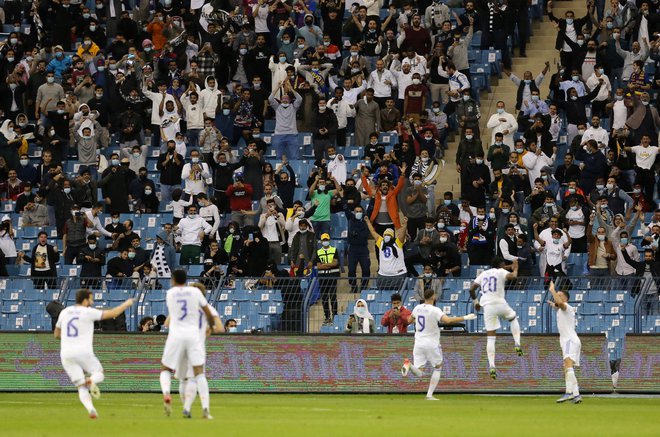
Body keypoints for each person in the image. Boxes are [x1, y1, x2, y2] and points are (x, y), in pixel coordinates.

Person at [55, 289, 135, 419]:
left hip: (66, 353)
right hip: (83, 351)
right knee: (99, 373)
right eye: (91, 299)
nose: (92, 301)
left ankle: (91, 410)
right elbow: (113, 313)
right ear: (85, 300)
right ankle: (90, 380)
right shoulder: (88, 312)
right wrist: (126, 304)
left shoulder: (64, 312)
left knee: (80, 386)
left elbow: (56, 335)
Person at [400, 287, 476, 400]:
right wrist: (465, 317)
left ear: (423, 297)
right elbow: (448, 321)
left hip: (418, 343)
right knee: (438, 367)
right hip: (431, 343)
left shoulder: (417, 308)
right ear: (433, 297)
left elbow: (408, 321)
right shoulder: (435, 310)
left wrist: (416, 319)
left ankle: (409, 365)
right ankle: (429, 395)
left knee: (420, 372)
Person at [159, 270, 216, 419]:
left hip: (176, 335)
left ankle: (166, 393)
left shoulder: (170, 293)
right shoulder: (195, 292)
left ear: (173, 280)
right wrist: (211, 326)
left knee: (166, 368)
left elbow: (169, 319)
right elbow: (207, 311)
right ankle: (205, 409)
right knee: (198, 373)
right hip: (193, 336)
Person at [173, 283, 224, 418]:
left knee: (184, 379)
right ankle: (204, 409)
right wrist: (208, 329)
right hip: (196, 345)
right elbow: (220, 329)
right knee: (198, 376)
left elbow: (168, 323)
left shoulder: (181, 308)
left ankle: (186, 408)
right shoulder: (208, 309)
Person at [469, 257, 522, 379]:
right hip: (499, 302)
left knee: (491, 337)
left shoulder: (483, 274)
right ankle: (517, 343)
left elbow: (471, 289)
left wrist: (476, 302)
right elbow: (513, 276)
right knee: (513, 318)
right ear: (501, 264)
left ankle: (492, 365)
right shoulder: (501, 271)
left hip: (487, 306)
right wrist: (516, 269)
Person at [548, 281, 582, 404]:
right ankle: (573, 394)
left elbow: (561, 305)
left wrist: (552, 290)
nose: (557, 297)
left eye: (559, 295)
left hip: (569, 340)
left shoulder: (566, 307)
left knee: (568, 365)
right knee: (567, 367)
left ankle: (572, 393)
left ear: (566, 298)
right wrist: (553, 304)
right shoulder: (564, 309)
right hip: (568, 340)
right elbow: (559, 305)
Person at [365, 217, 408, 290]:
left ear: (392, 236)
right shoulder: (381, 242)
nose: (387, 237)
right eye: (385, 235)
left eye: (389, 235)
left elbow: (402, 235)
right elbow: (373, 231)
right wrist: (367, 221)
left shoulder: (397, 243)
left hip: (398, 275)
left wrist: (405, 224)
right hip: (383, 275)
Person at [316, 233, 340, 326]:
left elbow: (335, 263)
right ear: (321, 241)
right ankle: (327, 316)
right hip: (323, 277)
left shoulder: (334, 250)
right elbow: (318, 266)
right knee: (325, 298)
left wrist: (324, 265)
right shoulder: (318, 252)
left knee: (333, 297)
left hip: (333, 276)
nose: (325, 241)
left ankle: (335, 315)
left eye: (326, 240)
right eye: (323, 240)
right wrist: (329, 264)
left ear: (329, 240)